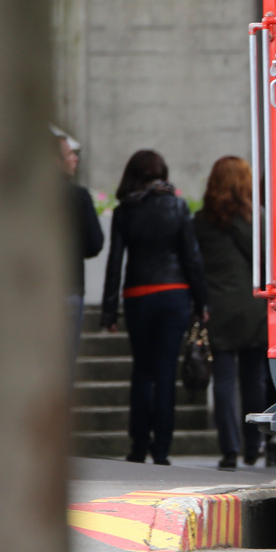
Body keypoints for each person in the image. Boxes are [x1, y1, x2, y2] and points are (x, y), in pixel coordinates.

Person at [100, 150, 205, 465]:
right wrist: (202, 302)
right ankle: (162, 449)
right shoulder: (178, 206)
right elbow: (192, 258)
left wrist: (109, 311)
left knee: (142, 373)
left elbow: (115, 263)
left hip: (138, 295)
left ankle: (137, 446)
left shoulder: (124, 212)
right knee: (164, 373)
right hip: (175, 295)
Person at [192, 157, 276, 469]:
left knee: (223, 380)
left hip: (217, 308)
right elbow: (264, 263)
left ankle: (229, 449)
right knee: (253, 379)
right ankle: (253, 445)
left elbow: (196, 266)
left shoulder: (201, 221)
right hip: (250, 307)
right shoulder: (255, 219)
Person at [56, 128, 104, 362]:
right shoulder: (78, 196)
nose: (75, 159)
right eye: (69, 154)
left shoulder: (24, 197)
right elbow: (95, 244)